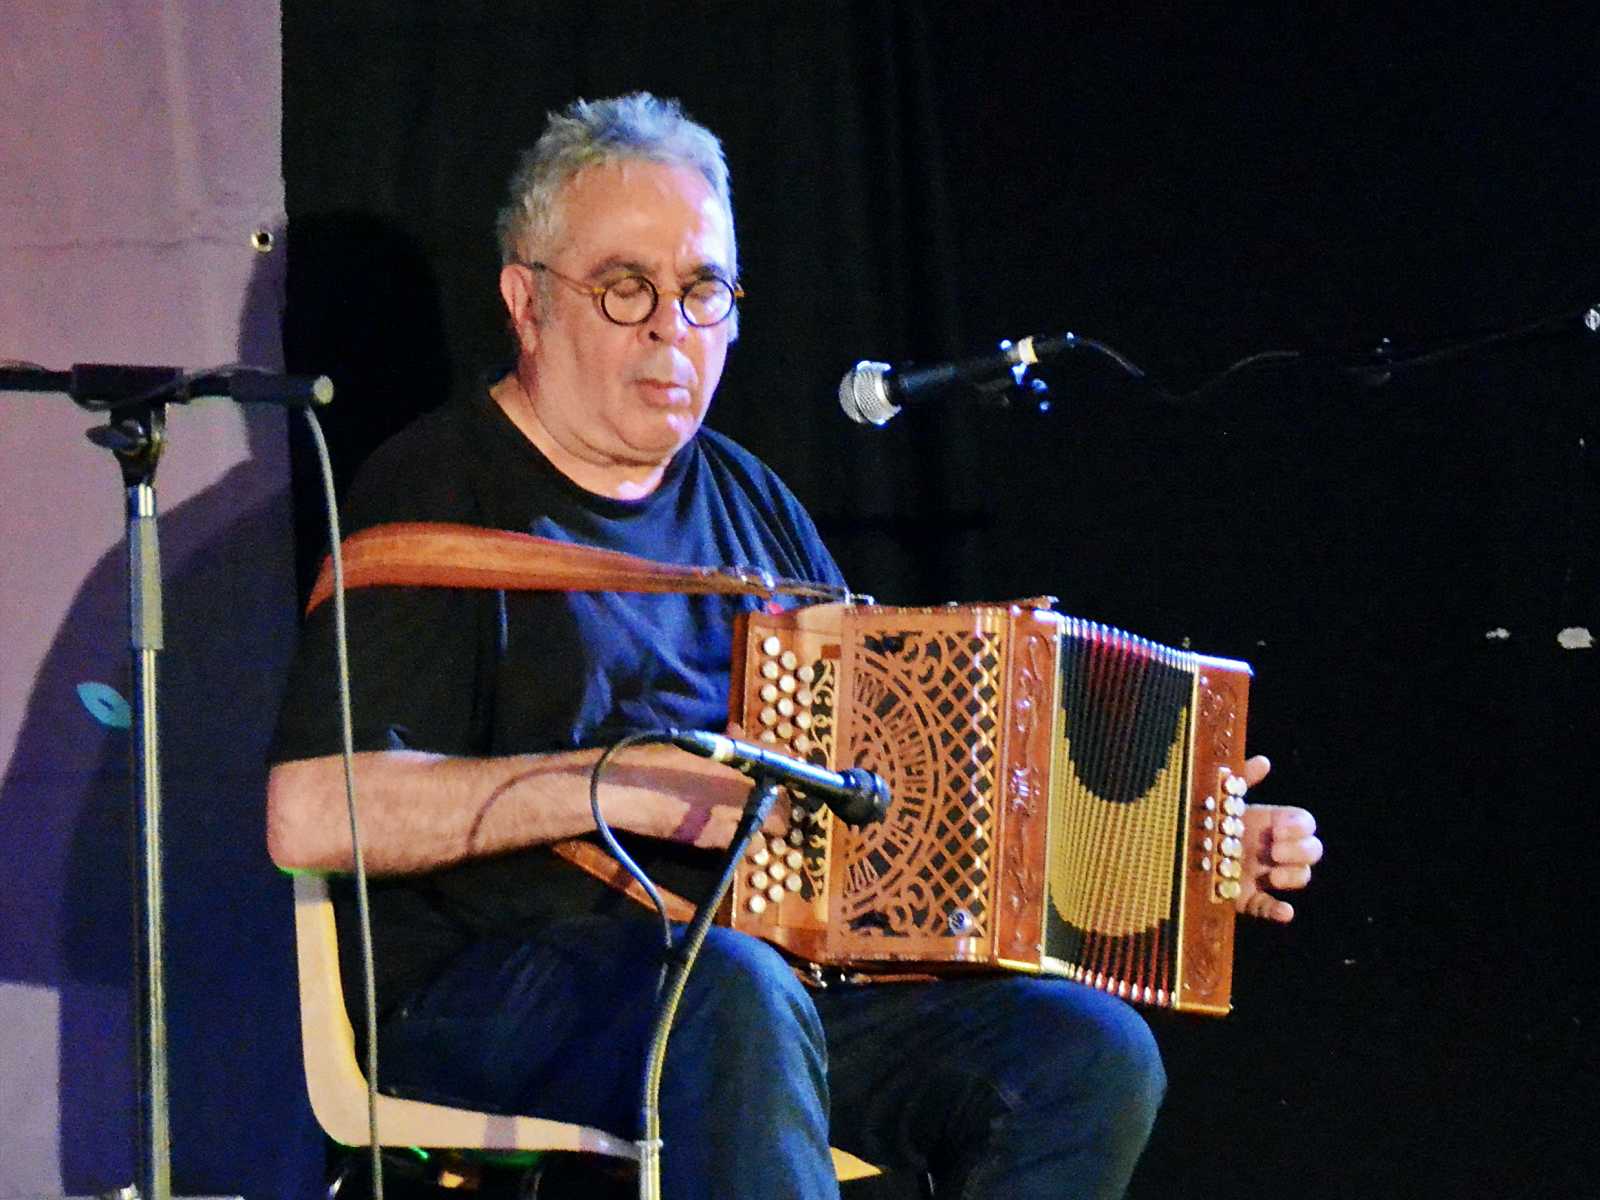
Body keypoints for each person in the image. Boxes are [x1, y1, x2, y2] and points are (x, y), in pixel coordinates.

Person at [268, 92, 1323, 1200]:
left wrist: (1181, 849)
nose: (671, 329)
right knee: (728, 991)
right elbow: (308, 812)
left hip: (765, 992)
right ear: (525, 303)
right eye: (625, 287)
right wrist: (622, 786)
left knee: (1085, 1054)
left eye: (703, 290)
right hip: (482, 989)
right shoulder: (435, 494)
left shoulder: (753, 505)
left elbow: (901, 796)